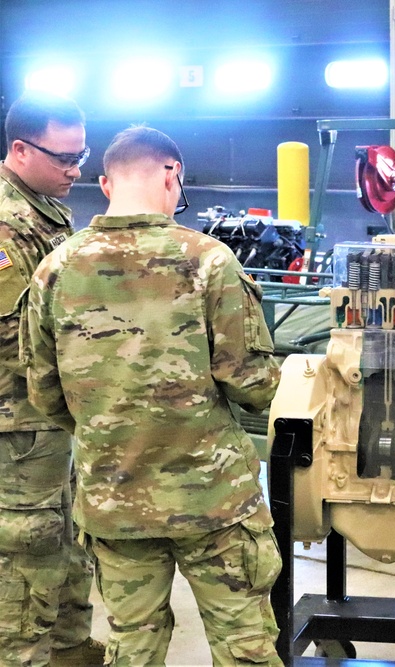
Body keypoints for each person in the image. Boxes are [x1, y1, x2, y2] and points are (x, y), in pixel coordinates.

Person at [23, 125, 283, 666]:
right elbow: (251, 383)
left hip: (114, 499)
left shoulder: (54, 269)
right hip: (214, 500)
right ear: (172, 174)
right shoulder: (209, 261)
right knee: (244, 647)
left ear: (105, 182)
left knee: (132, 646)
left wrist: (110, 428)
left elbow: (45, 392)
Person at [0, 92, 105, 666]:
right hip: (18, 421)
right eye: (63, 157)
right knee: (27, 550)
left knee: (67, 539)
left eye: (81, 155)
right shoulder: (5, 220)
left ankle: (68, 649)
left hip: (49, 417)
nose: (76, 168)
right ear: (19, 149)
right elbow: (17, 337)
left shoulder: (40, 207)